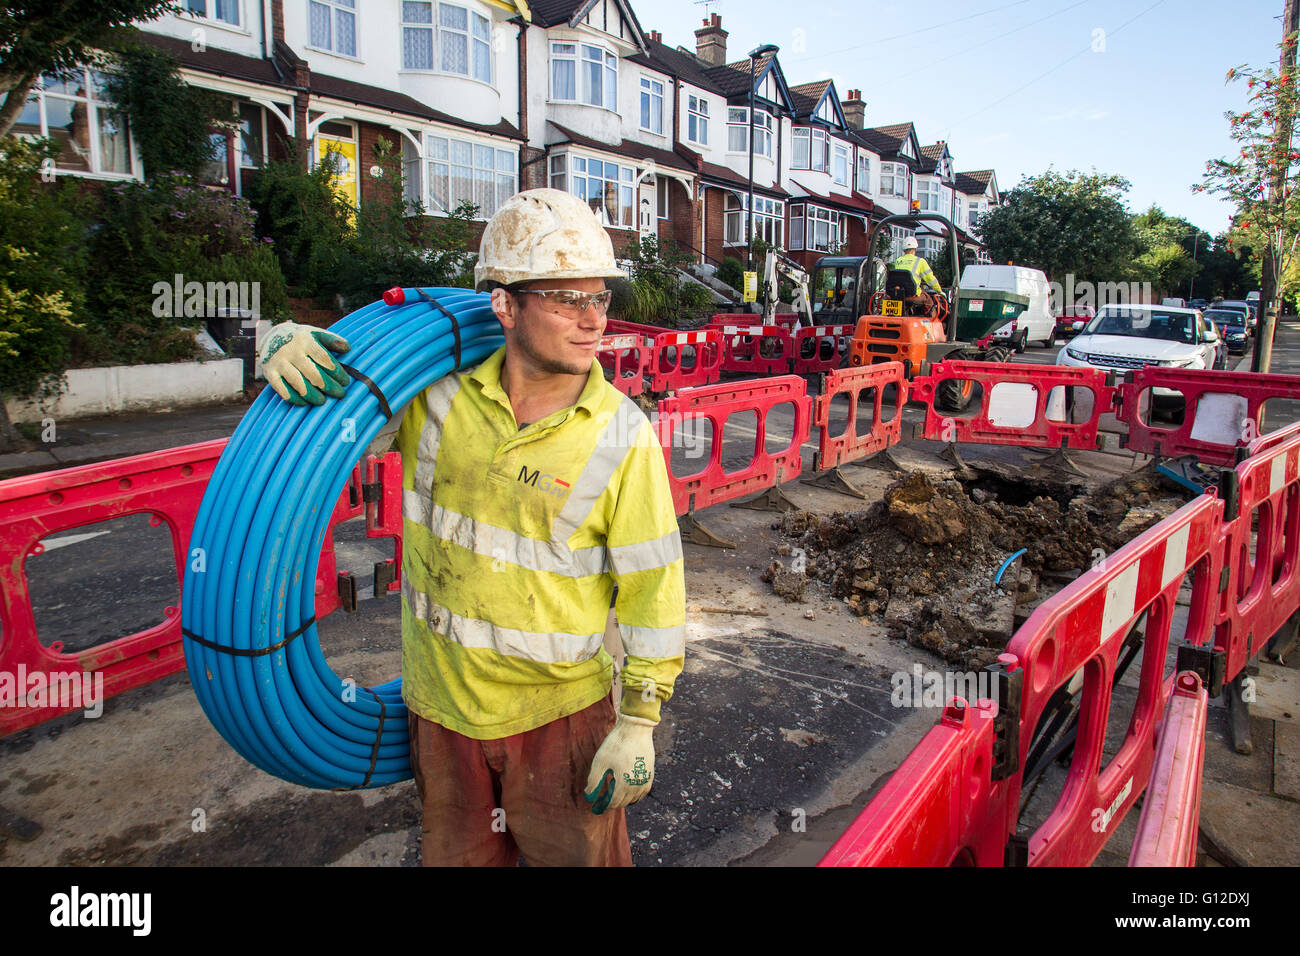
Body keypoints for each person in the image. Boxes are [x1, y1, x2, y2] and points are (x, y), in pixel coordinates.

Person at [258, 188, 686, 867]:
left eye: (600, 298)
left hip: (560, 720)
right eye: (567, 298)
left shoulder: (622, 437)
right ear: (505, 304)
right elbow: (320, 436)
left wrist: (638, 721)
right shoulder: (435, 399)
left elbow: (652, 592)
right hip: (442, 715)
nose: (592, 320)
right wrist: (282, 348)